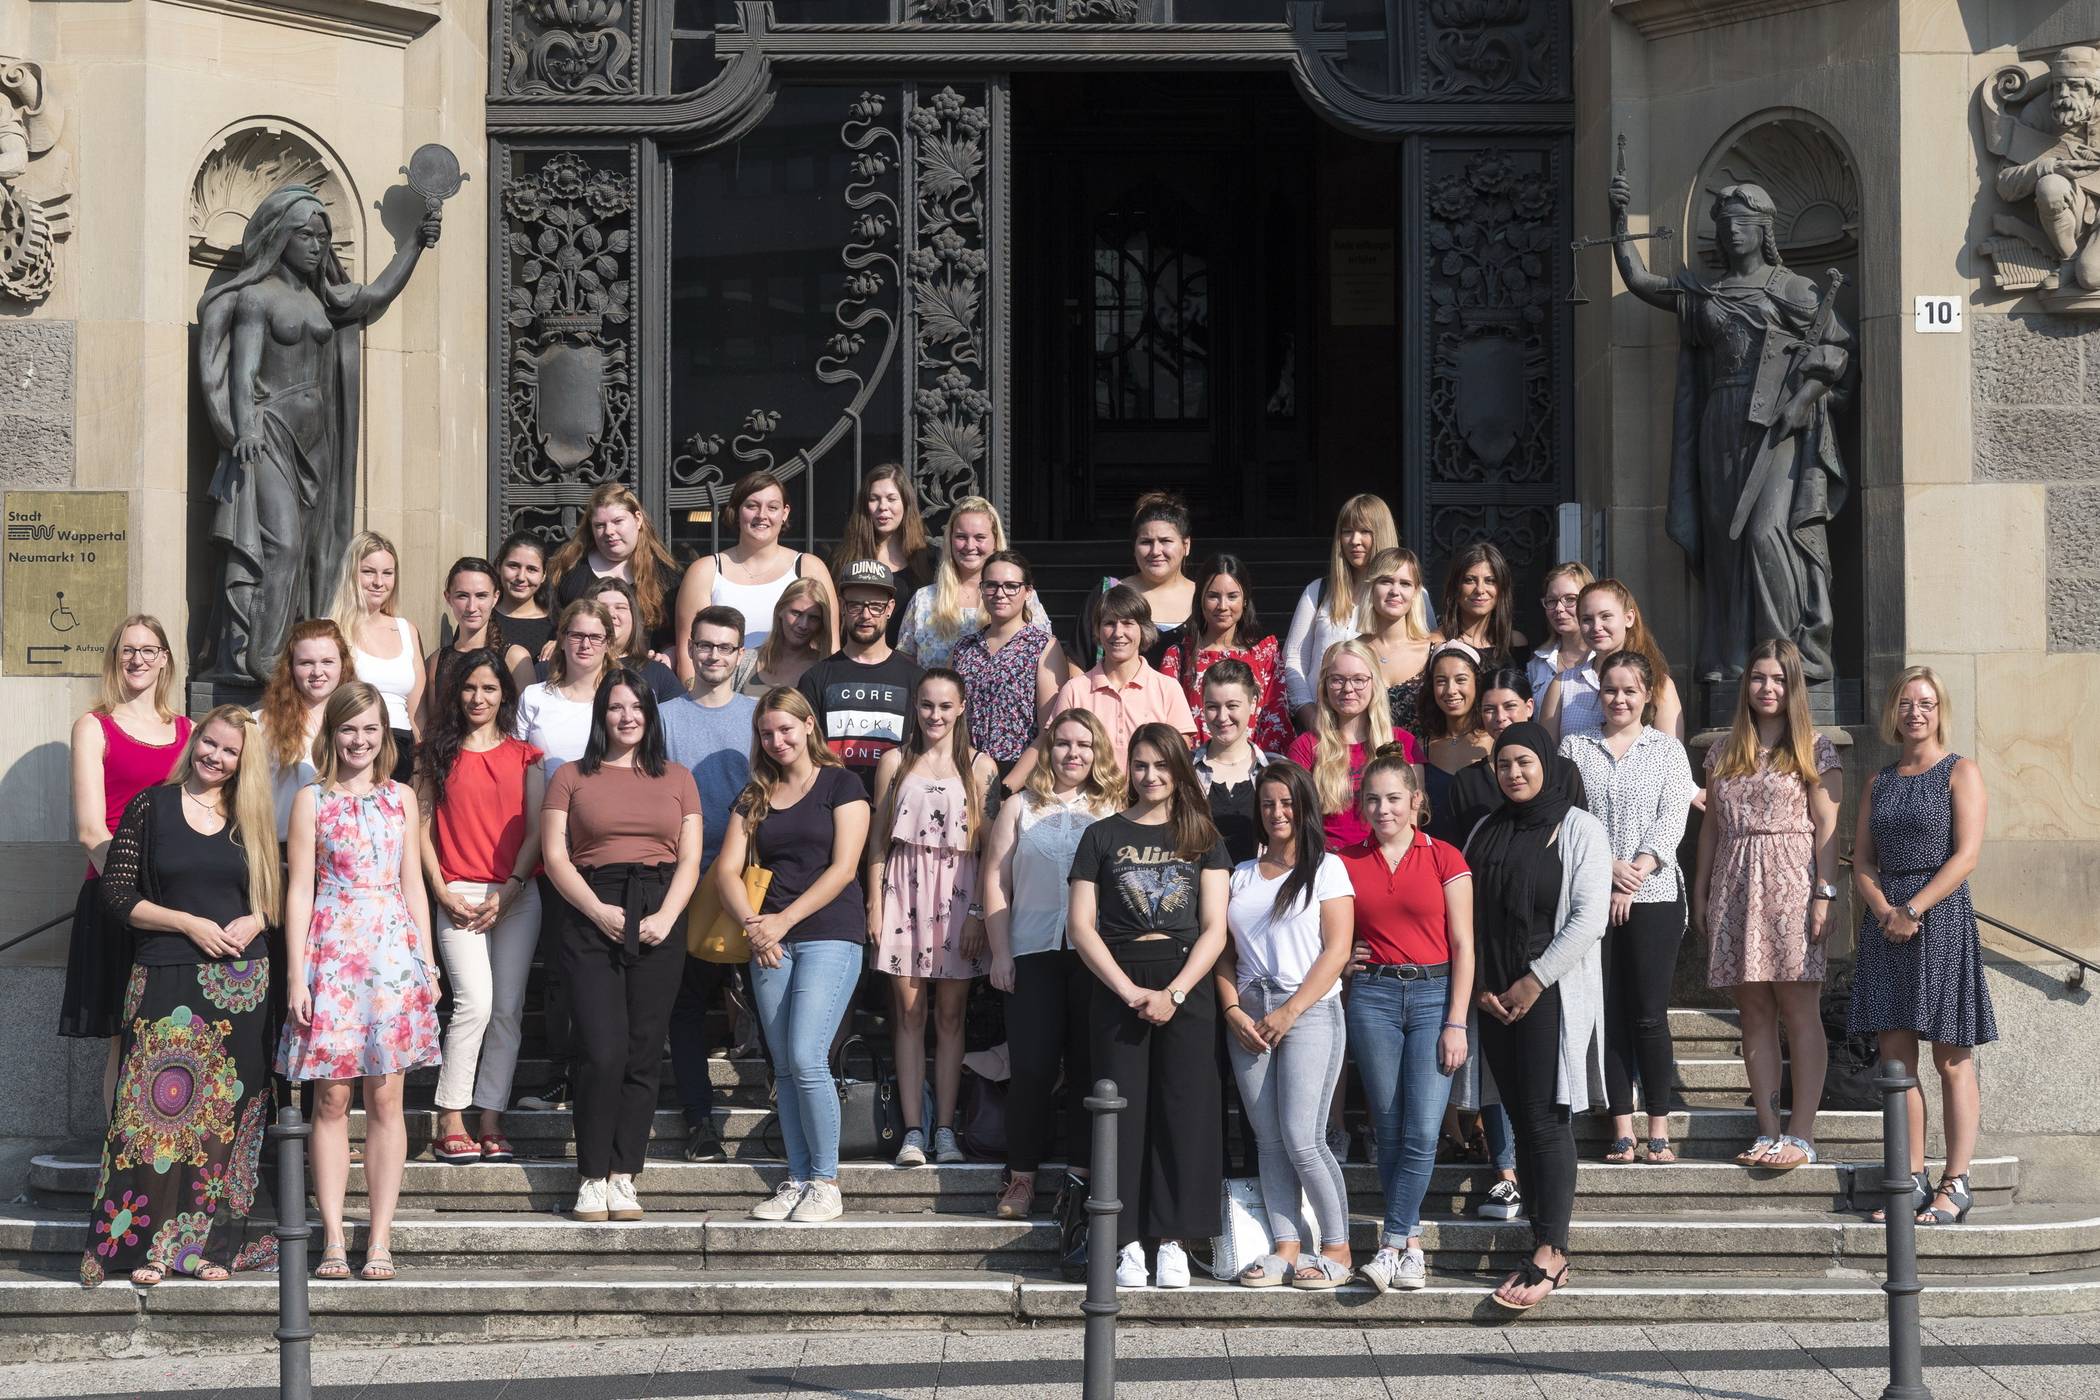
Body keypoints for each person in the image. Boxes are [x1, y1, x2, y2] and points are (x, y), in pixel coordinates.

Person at [78, 704, 280, 1288]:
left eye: (229, 751)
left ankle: (210, 1247)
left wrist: (257, 918)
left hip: (241, 983)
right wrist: (187, 923)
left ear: (244, 761)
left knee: (226, 1119)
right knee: (154, 1115)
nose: (215, 756)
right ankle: (147, 1246)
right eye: (209, 743)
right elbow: (117, 896)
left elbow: (277, 889)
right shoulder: (151, 806)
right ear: (195, 742)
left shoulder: (252, 817)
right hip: (165, 972)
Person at [278, 683, 442, 1283]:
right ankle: (330, 1238)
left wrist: (427, 963)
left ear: (384, 735)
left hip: (392, 953)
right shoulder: (311, 800)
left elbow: (413, 883)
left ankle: (378, 1238)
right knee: (330, 1098)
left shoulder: (402, 798)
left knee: (387, 1097)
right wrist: (297, 974)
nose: (359, 739)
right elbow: (299, 889)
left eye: (370, 728)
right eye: (349, 728)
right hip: (331, 952)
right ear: (332, 733)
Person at [1066, 723, 1232, 1290]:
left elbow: (1214, 928)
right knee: (1122, 1114)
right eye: (1140, 764)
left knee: (1185, 1110)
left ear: (1179, 769)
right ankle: (1127, 1240)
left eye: (1161, 765)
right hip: (1119, 983)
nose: (1150, 775)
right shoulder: (1101, 835)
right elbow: (1081, 926)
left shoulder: (1203, 836)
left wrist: (1176, 993)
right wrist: (1127, 990)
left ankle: (1175, 1240)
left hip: (1187, 982)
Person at [541, 668, 703, 1223]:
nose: (627, 716)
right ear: (601, 715)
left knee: (642, 1049)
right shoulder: (570, 776)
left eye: (636, 707)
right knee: (601, 1049)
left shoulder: (679, 777)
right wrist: (597, 910)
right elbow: (555, 857)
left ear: (650, 715)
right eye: (616, 707)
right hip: (592, 908)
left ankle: (623, 1174)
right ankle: (591, 1175)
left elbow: (690, 858)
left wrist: (667, 916)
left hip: (660, 906)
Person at [1464, 722, 1610, 1312]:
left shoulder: (1580, 828)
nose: (1514, 773)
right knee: (1520, 1119)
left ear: (1546, 763)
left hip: (1547, 989)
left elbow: (1588, 918)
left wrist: (1535, 979)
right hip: (1494, 996)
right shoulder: (1485, 829)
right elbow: (1466, 914)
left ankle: (1552, 1252)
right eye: (1503, 764)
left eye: (1524, 761)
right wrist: (1480, 985)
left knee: (1547, 1119)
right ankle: (1539, 1235)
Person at [718, 688, 873, 1224]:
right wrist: (755, 926)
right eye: (766, 733)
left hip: (829, 932)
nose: (777, 740)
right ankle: (798, 1177)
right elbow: (726, 870)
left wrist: (782, 921)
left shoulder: (842, 784)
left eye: (786, 729)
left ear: (809, 725)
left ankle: (826, 1182)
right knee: (783, 1066)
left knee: (808, 1057)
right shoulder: (755, 794)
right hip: (769, 940)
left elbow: (844, 868)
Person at [1848, 667, 1993, 1227]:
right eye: (1907, 703)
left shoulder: (1961, 771)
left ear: (1940, 711)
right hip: (1887, 923)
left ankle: (1956, 1182)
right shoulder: (1879, 781)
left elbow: (1967, 855)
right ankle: (1909, 1179)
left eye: (1926, 704)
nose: (1915, 713)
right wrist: (1885, 908)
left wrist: (1914, 909)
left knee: (1951, 1057)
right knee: (1896, 1060)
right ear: (1894, 711)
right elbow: (1862, 859)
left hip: (1941, 918)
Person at [1694, 639, 1842, 1171]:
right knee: (1753, 1011)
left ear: (1793, 686)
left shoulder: (1815, 749)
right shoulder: (1723, 750)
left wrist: (1825, 894)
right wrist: (1701, 889)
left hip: (1792, 884)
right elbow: (1711, 828)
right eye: (1758, 677)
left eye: (1778, 679)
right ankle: (1767, 1128)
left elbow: (1827, 828)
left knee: (1799, 1008)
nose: (1767, 688)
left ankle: (1802, 1133)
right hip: (1735, 882)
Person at [1337, 750, 1475, 1293]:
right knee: (1389, 1127)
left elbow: (1464, 945)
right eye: (1372, 799)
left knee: (1421, 1128)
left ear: (1416, 801)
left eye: (1394, 798)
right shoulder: (1345, 862)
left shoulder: (1444, 856)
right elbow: (1329, 934)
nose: (1383, 809)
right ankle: (1411, 1246)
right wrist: (1344, 959)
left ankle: (1391, 1242)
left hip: (1434, 995)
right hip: (1373, 996)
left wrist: (1457, 1022)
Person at [1215, 761, 1355, 1290]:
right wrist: (1232, 1010)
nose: (1278, 812)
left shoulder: (1328, 869)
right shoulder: (1241, 874)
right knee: (1268, 1139)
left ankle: (1337, 1246)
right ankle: (1286, 1245)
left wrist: (1290, 1010)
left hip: (1309, 1008)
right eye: (1268, 803)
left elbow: (1337, 950)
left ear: (1305, 807)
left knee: (1303, 1137)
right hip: (1249, 1010)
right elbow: (1224, 953)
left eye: (1288, 802)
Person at [981, 709, 1122, 1221]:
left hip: (1095, 958)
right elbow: (996, 881)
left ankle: (1079, 1179)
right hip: (1032, 951)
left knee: (1089, 1068)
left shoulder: (1114, 808)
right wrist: (1000, 952)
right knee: (1033, 1068)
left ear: (1097, 750)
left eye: (1084, 744)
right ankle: (1021, 1177)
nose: (1073, 753)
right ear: (1048, 749)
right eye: (1063, 743)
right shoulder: (1019, 806)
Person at [1560, 651, 1696, 1165]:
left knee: (1648, 1013)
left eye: (1629, 690)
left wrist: (1635, 871)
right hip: (1593, 893)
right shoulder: (1575, 747)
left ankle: (1658, 1125)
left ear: (1647, 695)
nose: (1619, 699)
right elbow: (1569, 815)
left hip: (1654, 894)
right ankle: (1621, 1126)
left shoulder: (1667, 751)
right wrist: (1608, 867)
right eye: (1610, 690)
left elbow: (1672, 818)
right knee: (1609, 1012)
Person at [416, 649, 545, 1167]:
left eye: (489, 688)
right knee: (475, 1003)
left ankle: (491, 1116)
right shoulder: (435, 755)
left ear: (504, 695)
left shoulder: (527, 756)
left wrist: (510, 889)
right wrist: (440, 889)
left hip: (516, 896)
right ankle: (451, 1115)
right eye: (470, 687)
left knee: (508, 1009)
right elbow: (419, 829)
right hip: (458, 894)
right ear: (456, 693)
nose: (478, 697)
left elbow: (536, 832)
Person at [869, 669, 998, 1166]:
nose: (935, 715)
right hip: (904, 891)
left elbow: (991, 850)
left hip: (960, 895)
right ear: (915, 706)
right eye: (926, 705)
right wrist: (874, 902)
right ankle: (912, 1130)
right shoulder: (895, 761)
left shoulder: (980, 766)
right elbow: (878, 841)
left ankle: (945, 1129)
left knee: (950, 1015)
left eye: (945, 706)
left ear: (961, 707)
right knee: (908, 1013)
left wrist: (979, 912)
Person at [61, 617, 193, 1090]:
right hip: (117, 898)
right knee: (127, 1039)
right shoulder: (93, 727)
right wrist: (133, 897)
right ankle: (117, 1139)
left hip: (178, 901)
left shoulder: (190, 731)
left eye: (148, 650)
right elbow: (90, 830)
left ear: (164, 660)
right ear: (115, 659)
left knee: (179, 1031)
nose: (138, 660)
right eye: (127, 650)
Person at [660, 605, 761, 1161]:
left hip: (752, 879)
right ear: (689, 648)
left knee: (768, 999)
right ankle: (699, 1118)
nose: (714, 656)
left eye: (725, 647)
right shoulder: (665, 717)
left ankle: (783, 1109)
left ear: (740, 654)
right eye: (704, 645)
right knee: (688, 1003)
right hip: (686, 878)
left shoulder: (758, 714)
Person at [509, 599, 616, 1113]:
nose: (585, 644)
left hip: (610, 844)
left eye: (595, 636)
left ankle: (604, 1068)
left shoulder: (620, 697)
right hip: (552, 846)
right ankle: (561, 1073)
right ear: (561, 639)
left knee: (608, 959)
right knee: (559, 962)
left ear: (609, 643)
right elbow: (515, 767)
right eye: (576, 634)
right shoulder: (536, 697)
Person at [1436, 667, 1532, 1217]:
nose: (1499, 718)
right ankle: (1505, 1170)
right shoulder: (1470, 782)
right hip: (1485, 933)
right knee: (1493, 1060)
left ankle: (1537, 1163)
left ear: (1529, 708)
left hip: (1538, 940)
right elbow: (1454, 867)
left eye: (1509, 707)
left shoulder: (1559, 774)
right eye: (1490, 709)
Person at [675, 471, 838, 670]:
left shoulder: (809, 567)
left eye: (772, 507)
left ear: (785, 513)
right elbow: (688, 654)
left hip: (795, 687)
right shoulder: (705, 571)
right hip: (719, 688)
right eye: (752, 506)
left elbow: (829, 647)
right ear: (736, 510)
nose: (762, 515)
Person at [798, 559, 924, 795]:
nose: (866, 615)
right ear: (842, 607)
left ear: (890, 608)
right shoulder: (815, 678)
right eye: (855, 605)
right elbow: (805, 755)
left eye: (876, 606)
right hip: (830, 803)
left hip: (895, 804)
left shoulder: (916, 680)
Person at [951, 550, 1066, 799]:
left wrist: (1006, 788)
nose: (1000, 593)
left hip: (1017, 779)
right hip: (963, 773)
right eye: (991, 585)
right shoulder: (964, 647)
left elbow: (1050, 729)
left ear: (1028, 592)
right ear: (982, 590)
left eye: (1011, 586)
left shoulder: (1043, 647)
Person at [1286, 639, 1418, 851]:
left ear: (1374, 683)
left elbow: (1412, 821)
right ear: (1324, 685)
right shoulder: (1305, 747)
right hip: (1327, 863)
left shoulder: (1403, 743)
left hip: (1387, 859)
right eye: (1337, 680)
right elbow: (1297, 821)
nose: (1348, 688)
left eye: (1359, 680)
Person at [1284, 494, 1399, 731]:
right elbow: (1293, 659)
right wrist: (1309, 714)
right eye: (1347, 532)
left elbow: (1420, 650)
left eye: (1365, 531)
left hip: (1380, 728)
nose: (1354, 540)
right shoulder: (1318, 591)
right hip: (1321, 727)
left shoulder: (1407, 594)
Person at [1050, 584, 1195, 770]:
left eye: (1127, 623)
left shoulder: (1168, 688)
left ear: (1143, 629)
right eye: (1109, 623)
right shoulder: (1074, 690)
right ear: (1097, 630)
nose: (1118, 633)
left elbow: (1180, 757)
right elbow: (1055, 751)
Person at [1160, 554, 1292, 756]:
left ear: (1245, 600)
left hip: (1254, 767)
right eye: (1213, 596)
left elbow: (1276, 721)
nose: (1222, 606)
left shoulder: (1265, 655)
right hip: (1194, 766)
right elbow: (1169, 726)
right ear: (1200, 599)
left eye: (1232, 596)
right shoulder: (1178, 657)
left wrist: (1257, 767)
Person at [897, 496, 1050, 668]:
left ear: (995, 541)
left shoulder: (1020, 596)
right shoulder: (924, 599)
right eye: (961, 537)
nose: (970, 546)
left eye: (979, 537)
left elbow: (1044, 656)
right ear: (950, 540)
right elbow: (904, 663)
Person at [332, 531, 425, 784]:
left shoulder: (407, 630)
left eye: (387, 573)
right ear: (351, 573)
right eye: (368, 572)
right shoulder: (332, 630)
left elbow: (418, 713)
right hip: (353, 750)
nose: (378, 582)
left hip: (402, 751)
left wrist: (421, 765)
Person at [1541, 579, 1685, 742]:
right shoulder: (1562, 684)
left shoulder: (1659, 683)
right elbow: (1546, 752)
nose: (1596, 627)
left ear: (1629, 618)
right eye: (1587, 619)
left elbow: (1671, 751)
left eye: (1606, 616)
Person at [549, 482, 684, 654]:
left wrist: (670, 653)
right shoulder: (570, 569)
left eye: (618, 521)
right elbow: (553, 623)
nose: (609, 531)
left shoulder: (666, 576)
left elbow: (677, 634)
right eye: (600, 525)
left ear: (638, 519)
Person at [1074, 492, 1198, 669]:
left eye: (1165, 541)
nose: (1155, 551)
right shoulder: (1109, 592)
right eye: (1146, 542)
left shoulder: (1207, 598)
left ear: (1186, 545)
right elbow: (1077, 662)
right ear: (1134, 547)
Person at [258, 620, 348, 845]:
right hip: (281, 851)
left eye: (327, 661)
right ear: (290, 667)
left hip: (343, 852)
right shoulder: (262, 724)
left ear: (343, 665)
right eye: (306, 663)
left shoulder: (359, 723)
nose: (317, 672)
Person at [830, 464, 937, 646]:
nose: (883, 507)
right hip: (856, 657)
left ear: (906, 503)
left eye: (891, 499)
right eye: (874, 499)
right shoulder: (844, 558)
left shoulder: (928, 558)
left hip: (910, 660)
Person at [422, 557, 535, 726]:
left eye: (481, 596)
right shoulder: (436, 661)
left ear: (495, 597)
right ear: (448, 597)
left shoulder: (515, 658)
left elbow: (527, 724)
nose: (471, 607)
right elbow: (432, 725)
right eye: (462, 596)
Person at [1192, 659, 1275, 865]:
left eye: (1232, 706)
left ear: (1253, 703)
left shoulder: (1275, 771)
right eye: (1212, 707)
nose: (1222, 717)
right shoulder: (1184, 770)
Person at [1358, 548, 1439, 740]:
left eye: (1405, 583)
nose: (1395, 591)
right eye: (1386, 581)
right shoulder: (1350, 653)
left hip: (1422, 756)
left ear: (1416, 592)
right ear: (1371, 587)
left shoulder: (1435, 652)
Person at [1419, 644, 1492, 847]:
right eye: (1441, 681)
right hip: (1435, 859)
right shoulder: (1420, 749)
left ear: (1477, 683)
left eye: (1461, 680)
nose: (1451, 690)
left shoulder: (1496, 744)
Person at [582, 575, 685, 702]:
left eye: (620, 607)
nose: (611, 614)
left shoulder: (657, 672)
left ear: (633, 617)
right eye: (602, 608)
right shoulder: (572, 668)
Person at [1437, 542, 1526, 672]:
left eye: (1490, 581)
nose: (1480, 590)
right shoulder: (1435, 642)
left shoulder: (1515, 642)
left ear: (1502, 589)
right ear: (1455, 587)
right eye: (1469, 580)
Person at [736, 578, 832, 697]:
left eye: (813, 618)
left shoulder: (827, 671)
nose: (803, 625)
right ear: (780, 610)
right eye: (796, 613)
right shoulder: (745, 661)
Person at [1527, 562, 1595, 711]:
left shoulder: (1603, 658)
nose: (1559, 608)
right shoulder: (1538, 663)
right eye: (1551, 601)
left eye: (1570, 599)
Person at [492, 532, 557, 661]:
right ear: (499, 566)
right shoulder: (480, 618)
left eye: (531, 569)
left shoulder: (558, 626)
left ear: (544, 575)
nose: (521, 577)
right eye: (513, 566)